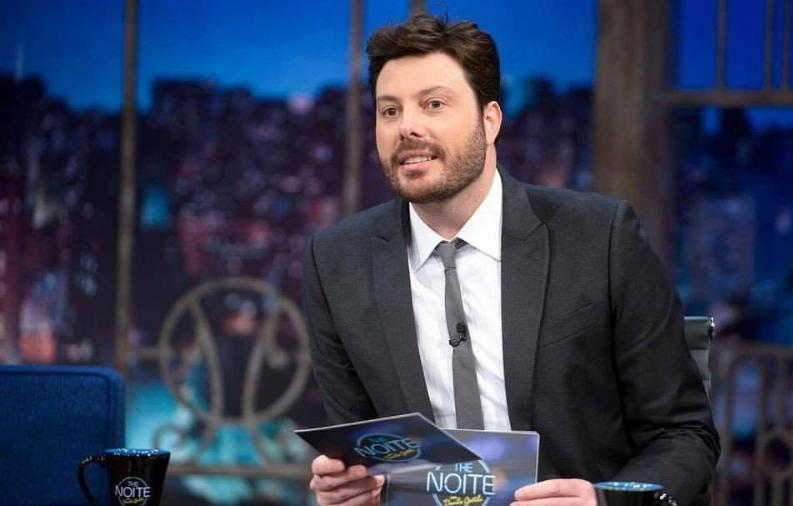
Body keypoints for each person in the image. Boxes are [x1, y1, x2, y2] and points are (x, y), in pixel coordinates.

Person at [302, 14, 719, 506]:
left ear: (490, 120)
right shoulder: (336, 262)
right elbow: (363, 456)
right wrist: (353, 489)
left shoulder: (600, 238)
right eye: (389, 111)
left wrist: (604, 500)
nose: (407, 127)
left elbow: (684, 434)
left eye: (433, 104)